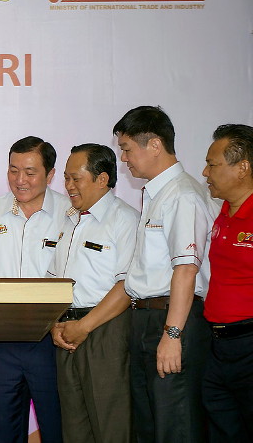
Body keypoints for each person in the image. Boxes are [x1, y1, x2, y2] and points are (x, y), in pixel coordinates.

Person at [113, 105, 217, 443]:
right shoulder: (156, 194)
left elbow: (186, 269)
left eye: (127, 149)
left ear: (154, 145)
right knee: (147, 425)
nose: (124, 159)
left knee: (176, 424)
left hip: (173, 319)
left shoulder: (182, 195)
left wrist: (173, 335)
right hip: (145, 319)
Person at [0, 136, 68, 443]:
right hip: (3, 342)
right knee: (0, 432)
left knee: (59, 428)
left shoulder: (71, 214)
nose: (20, 180)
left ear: (50, 174)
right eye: (13, 170)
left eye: (30, 172)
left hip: (53, 340)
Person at [47, 144, 137, 443]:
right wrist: (55, 326)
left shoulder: (125, 220)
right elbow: (54, 280)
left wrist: (84, 326)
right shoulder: (69, 220)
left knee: (110, 424)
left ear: (102, 179)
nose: (68, 186)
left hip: (104, 330)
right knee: (74, 427)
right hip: (65, 331)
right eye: (66, 178)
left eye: (76, 178)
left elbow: (127, 286)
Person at [201, 124, 253, 441]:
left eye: (213, 164)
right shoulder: (222, 212)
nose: (205, 172)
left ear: (243, 167)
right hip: (218, 345)